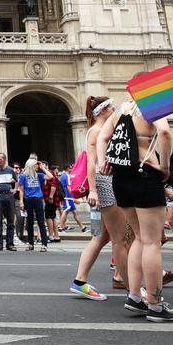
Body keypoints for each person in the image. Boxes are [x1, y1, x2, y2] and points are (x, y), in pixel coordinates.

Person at [98, 94, 173, 322]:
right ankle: (155, 304)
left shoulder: (121, 110)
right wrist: (164, 167)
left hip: (120, 178)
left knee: (139, 238)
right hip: (145, 175)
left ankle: (134, 296)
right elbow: (164, 132)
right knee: (152, 241)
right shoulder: (152, 105)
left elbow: (103, 137)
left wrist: (104, 162)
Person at [69, 95, 129, 300]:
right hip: (106, 187)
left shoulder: (101, 130)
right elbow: (91, 163)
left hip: (106, 186)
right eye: (111, 107)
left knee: (101, 238)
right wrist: (93, 190)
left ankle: (80, 281)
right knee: (120, 238)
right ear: (102, 111)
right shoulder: (96, 131)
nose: (114, 110)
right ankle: (134, 290)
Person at [18, 157, 48, 251]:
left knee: (41, 222)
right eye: (36, 164)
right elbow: (21, 190)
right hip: (28, 199)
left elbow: (50, 176)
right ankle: (30, 243)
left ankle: (44, 244)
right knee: (29, 222)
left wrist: (43, 168)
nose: (37, 166)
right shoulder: (23, 176)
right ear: (31, 165)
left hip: (38, 198)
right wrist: (21, 201)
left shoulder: (39, 175)